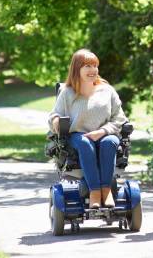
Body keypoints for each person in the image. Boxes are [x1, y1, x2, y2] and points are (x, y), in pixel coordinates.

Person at [48, 49, 127, 209]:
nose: (92, 70)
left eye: (95, 66)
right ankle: (94, 192)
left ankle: (106, 190)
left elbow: (119, 117)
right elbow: (54, 115)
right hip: (78, 135)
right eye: (87, 66)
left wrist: (102, 131)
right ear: (77, 69)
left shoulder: (107, 90)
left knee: (110, 142)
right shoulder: (67, 93)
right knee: (84, 143)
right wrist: (56, 120)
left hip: (105, 133)